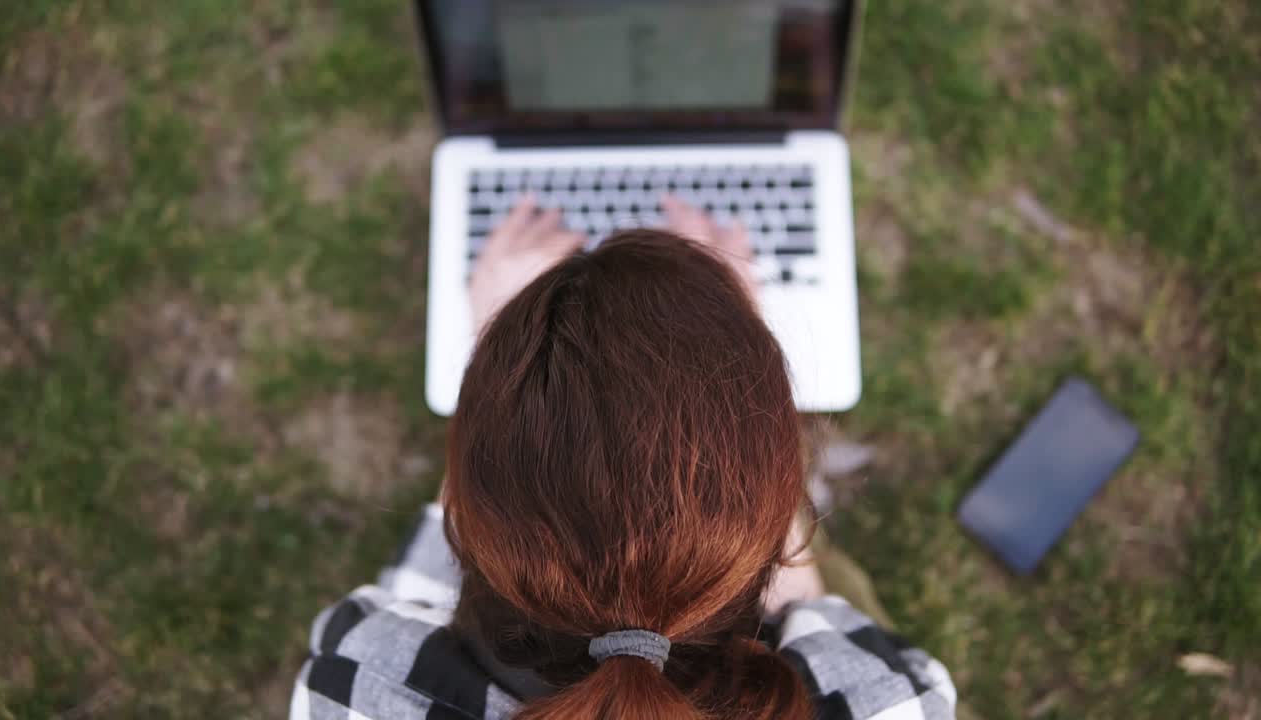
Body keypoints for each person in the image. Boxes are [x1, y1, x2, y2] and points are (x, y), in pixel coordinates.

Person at [290, 197, 956, 719]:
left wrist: (500, 363)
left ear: (473, 507)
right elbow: (821, 622)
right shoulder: (893, 701)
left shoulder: (357, 680)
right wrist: (736, 389)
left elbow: (409, 613)